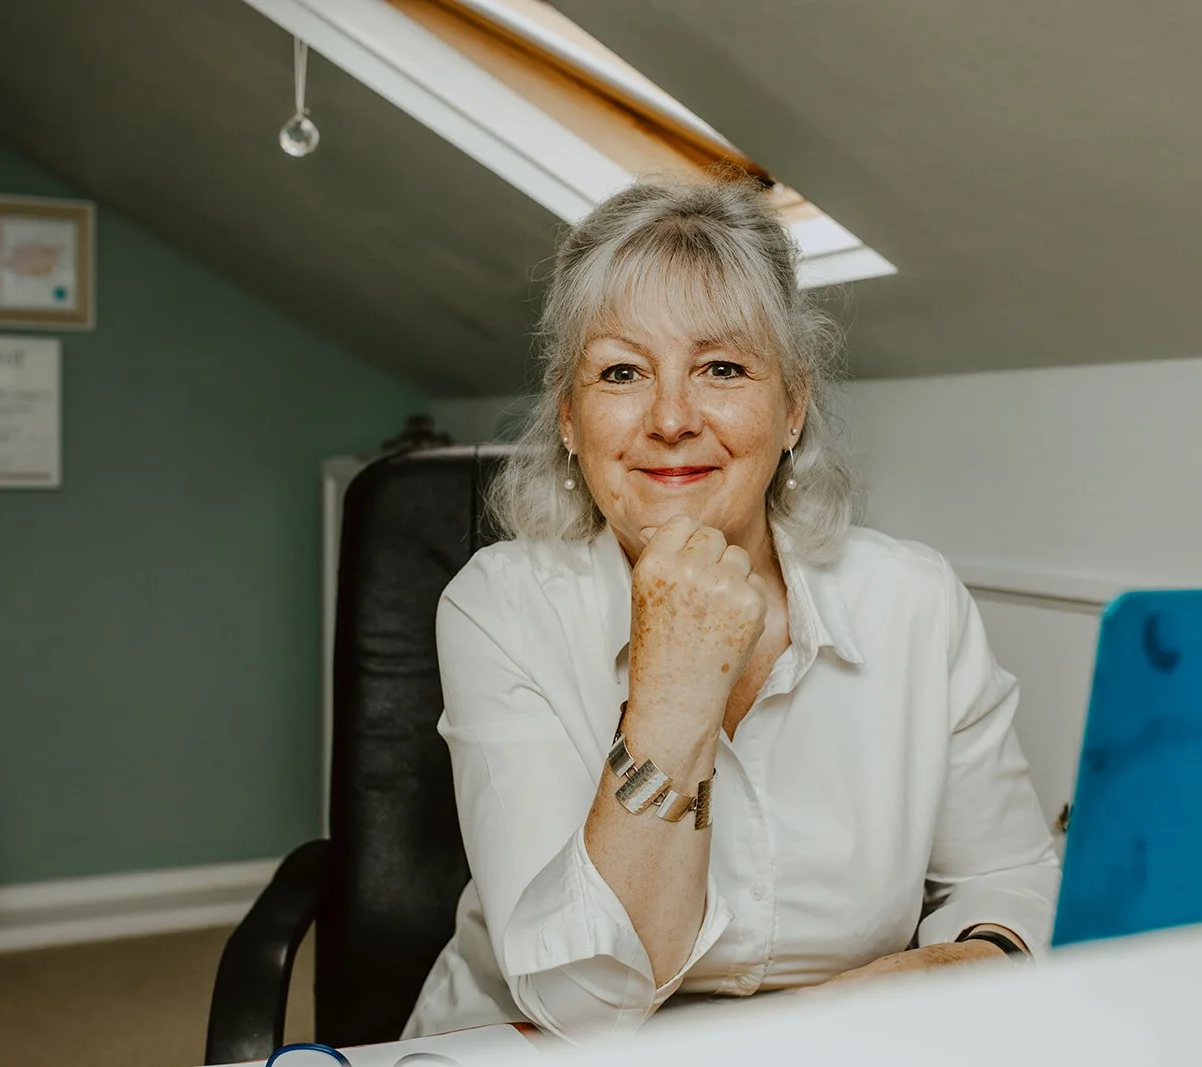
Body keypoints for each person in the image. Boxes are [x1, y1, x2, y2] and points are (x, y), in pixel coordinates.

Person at [402, 175, 1059, 1043]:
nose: (672, 417)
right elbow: (582, 1005)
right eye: (623, 371)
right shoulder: (501, 605)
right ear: (569, 417)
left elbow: (1015, 874)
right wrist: (675, 682)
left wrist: (943, 969)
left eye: (721, 368)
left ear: (792, 406)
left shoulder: (913, 601)